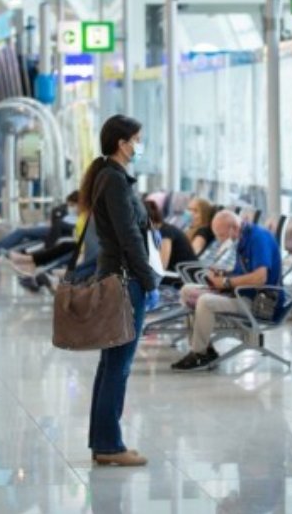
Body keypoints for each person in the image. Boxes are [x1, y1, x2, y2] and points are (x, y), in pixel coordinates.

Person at [83, 114, 156, 467]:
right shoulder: (113, 180)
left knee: (111, 363)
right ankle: (110, 445)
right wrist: (150, 279)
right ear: (121, 143)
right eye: (137, 139)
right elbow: (129, 238)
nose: (140, 145)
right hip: (125, 282)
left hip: (117, 277)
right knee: (118, 365)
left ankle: (104, 442)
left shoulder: (112, 177)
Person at [171, 211, 281, 371]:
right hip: (242, 294)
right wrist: (222, 275)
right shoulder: (243, 238)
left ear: (234, 228)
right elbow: (242, 273)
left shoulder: (259, 238)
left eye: (221, 235)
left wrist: (225, 282)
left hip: (261, 303)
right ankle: (206, 349)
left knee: (206, 302)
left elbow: (260, 278)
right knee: (187, 290)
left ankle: (198, 353)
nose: (220, 240)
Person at [148, 199, 197, 278]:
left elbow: (162, 265)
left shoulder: (166, 232)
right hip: (178, 273)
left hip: (184, 277)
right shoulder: (161, 229)